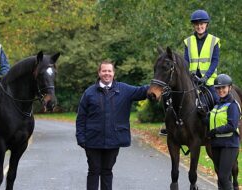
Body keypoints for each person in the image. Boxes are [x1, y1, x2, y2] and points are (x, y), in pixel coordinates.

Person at [76, 61, 149, 190]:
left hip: (113, 140)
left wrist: (159, 84)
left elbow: (142, 91)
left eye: (109, 71)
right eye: (104, 71)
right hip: (93, 141)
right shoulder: (89, 93)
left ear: (114, 73)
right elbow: (81, 118)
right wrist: (81, 138)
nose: (107, 74)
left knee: (107, 171)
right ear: (99, 73)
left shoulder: (124, 89)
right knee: (94, 171)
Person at [160, 9, 221, 136]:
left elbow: (215, 61)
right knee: (168, 95)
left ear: (206, 25)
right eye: (197, 24)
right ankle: (168, 125)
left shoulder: (214, 41)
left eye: (202, 24)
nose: (199, 26)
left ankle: (216, 127)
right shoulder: (188, 41)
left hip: (208, 80)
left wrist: (205, 77)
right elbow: (186, 60)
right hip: (191, 79)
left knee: (216, 99)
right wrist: (188, 74)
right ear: (194, 26)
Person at [208, 74, 240, 190]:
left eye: (223, 87)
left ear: (229, 88)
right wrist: (203, 118)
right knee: (221, 178)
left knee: (223, 177)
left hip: (229, 145)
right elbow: (212, 120)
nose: (221, 90)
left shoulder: (233, 105)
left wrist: (215, 131)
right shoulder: (216, 106)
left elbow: (232, 125)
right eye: (218, 88)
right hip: (217, 144)